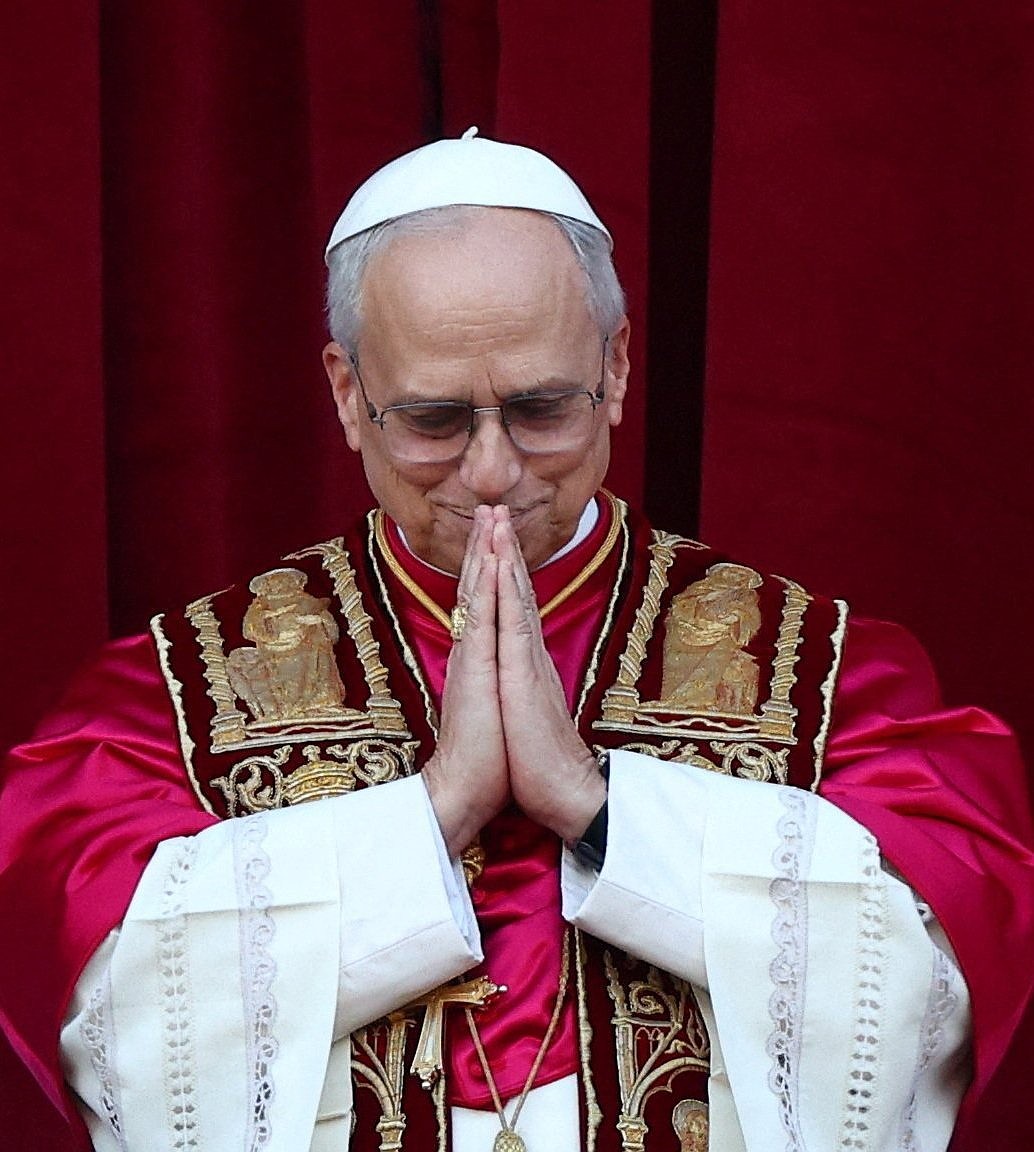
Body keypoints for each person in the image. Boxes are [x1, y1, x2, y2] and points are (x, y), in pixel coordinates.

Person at [1, 130, 1031, 1152]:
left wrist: (595, 808)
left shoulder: (822, 675)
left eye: (540, 409)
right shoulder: (177, 692)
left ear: (616, 369)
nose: (492, 471)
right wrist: (437, 811)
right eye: (433, 419)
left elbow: (926, 978)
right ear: (348, 394)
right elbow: (107, 1000)